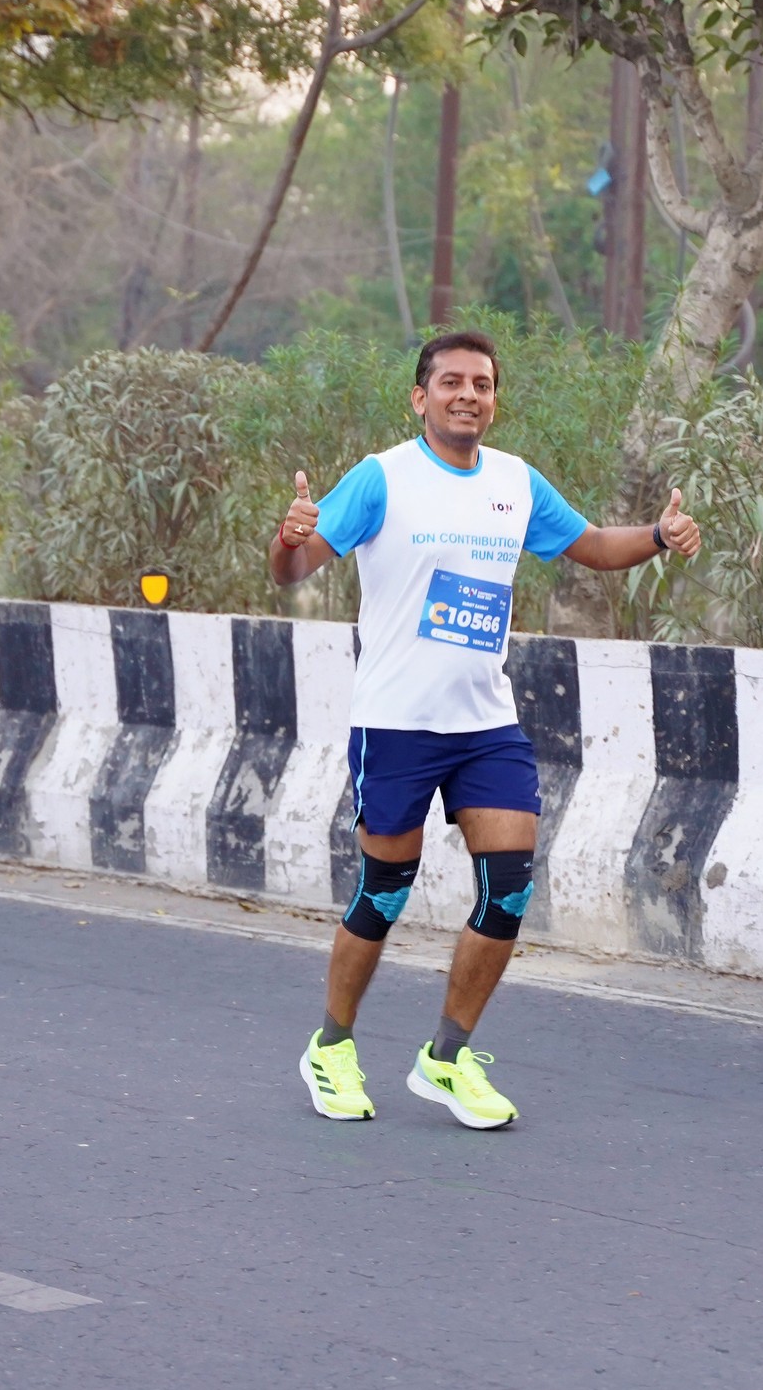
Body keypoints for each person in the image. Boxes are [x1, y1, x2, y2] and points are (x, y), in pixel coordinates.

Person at [271, 330, 701, 1128]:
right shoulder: (382, 478)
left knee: (509, 887)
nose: (468, 395)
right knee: (384, 891)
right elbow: (293, 569)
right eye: (451, 382)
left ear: (494, 400)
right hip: (395, 724)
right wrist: (289, 539)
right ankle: (331, 1046)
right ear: (420, 398)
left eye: (482, 384)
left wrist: (656, 536)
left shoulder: (514, 482)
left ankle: (446, 1057)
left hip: (485, 724)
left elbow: (591, 547)